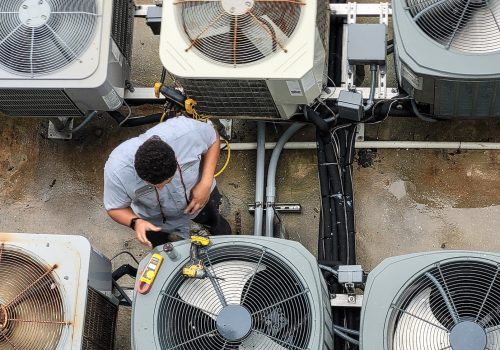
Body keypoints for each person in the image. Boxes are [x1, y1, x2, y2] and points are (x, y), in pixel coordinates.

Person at [103, 115, 232, 247]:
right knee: (163, 249)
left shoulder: (185, 132)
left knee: (214, 222)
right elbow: (114, 208)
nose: (161, 189)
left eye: (168, 181)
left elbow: (213, 138)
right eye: (153, 186)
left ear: (176, 161)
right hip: (156, 221)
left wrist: (206, 182)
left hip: (201, 199)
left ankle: (225, 239)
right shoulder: (116, 171)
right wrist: (135, 222)